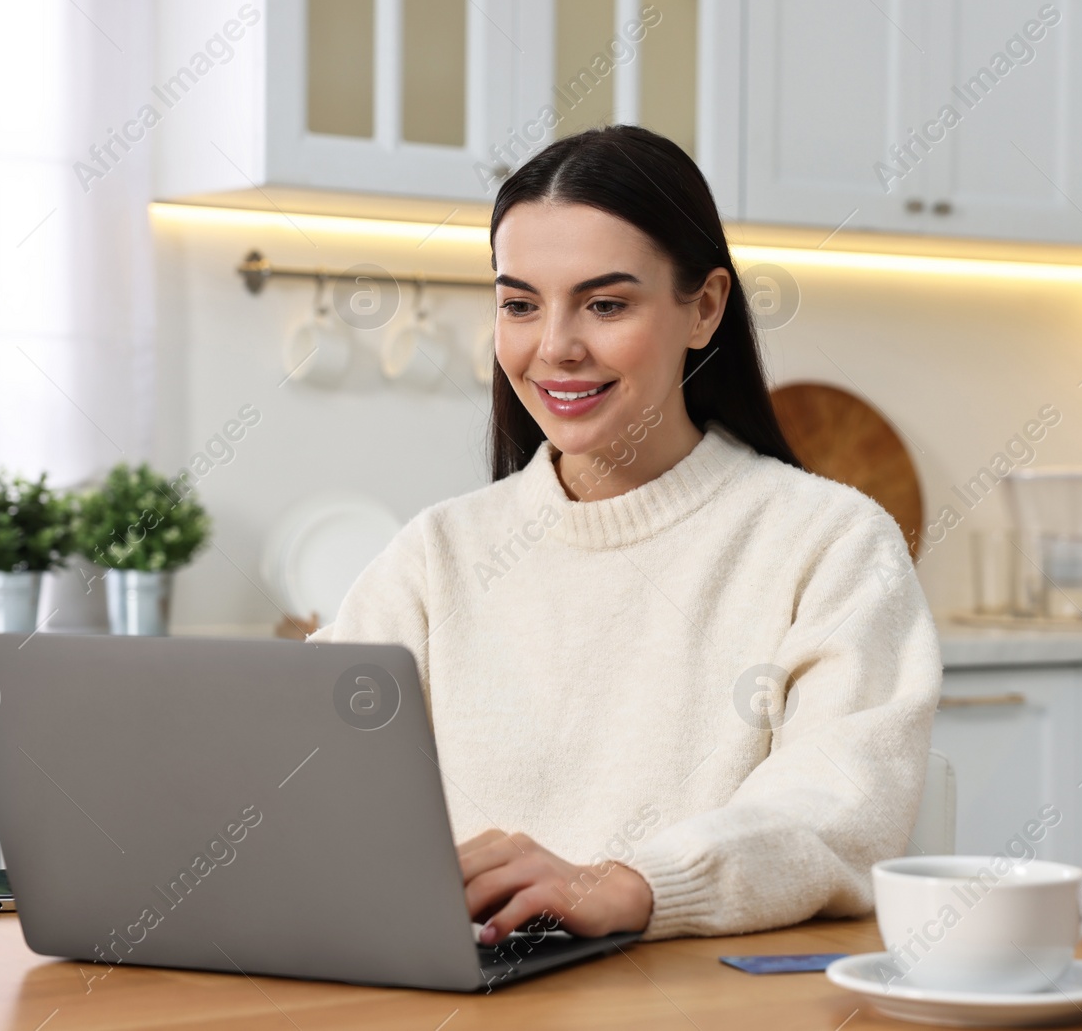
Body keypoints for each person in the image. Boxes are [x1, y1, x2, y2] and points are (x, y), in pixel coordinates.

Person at [308, 125, 942, 944]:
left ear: (704, 307)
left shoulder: (832, 543)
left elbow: (838, 809)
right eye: (520, 304)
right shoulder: (438, 554)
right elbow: (300, 770)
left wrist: (634, 884)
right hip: (474, 995)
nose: (556, 347)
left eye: (605, 304)